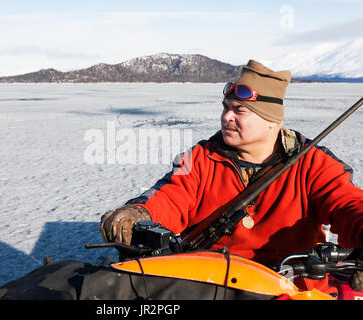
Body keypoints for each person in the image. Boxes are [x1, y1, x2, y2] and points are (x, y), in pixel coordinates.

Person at [99, 60, 363, 293]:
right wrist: (140, 213)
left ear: (271, 120)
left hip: (291, 285)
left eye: (239, 110)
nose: (226, 117)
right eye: (225, 107)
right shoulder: (202, 157)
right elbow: (171, 194)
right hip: (212, 283)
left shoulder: (313, 163)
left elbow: (348, 205)